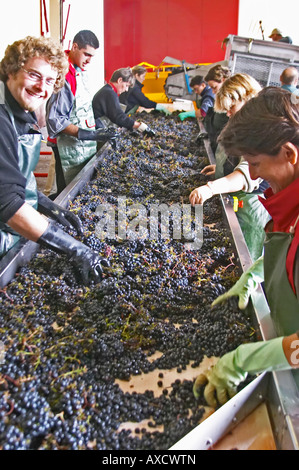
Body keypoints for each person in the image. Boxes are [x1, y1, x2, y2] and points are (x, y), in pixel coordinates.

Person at [193, 87, 299, 408]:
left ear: (289, 154)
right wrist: (253, 276)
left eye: (254, 163)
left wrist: (243, 361)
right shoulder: (288, 203)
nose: (252, 175)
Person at [0, 35, 108, 284]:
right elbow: (7, 202)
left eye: (49, 81)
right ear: (12, 70)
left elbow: (12, 180)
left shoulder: (18, 112)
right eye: (34, 75)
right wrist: (76, 249)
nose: (42, 87)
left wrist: (49, 206)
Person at [189, 73, 270, 261]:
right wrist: (220, 166)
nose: (228, 113)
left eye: (231, 107)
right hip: (236, 202)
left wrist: (211, 188)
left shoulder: (259, 130)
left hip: (250, 207)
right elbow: (237, 157)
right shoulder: (244, 123)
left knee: (246, 260)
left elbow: (246, 175)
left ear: (246, 98)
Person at [46, 30, 117, 195]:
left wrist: (97, 127)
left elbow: (81, 108)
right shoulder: (65, 76)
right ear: (74, 47)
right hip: (66, 147)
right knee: (67, 192)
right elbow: (56, 120)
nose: (89, 60)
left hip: (79, 145)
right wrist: (90, 134)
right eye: (86, 54)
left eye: (92, 56)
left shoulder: (78, 71)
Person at [92, 67, 155, 136]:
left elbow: (113, 115)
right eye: (126, 85)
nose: (126, 89)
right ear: (119, 80)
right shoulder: (109, 93)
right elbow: (118, 116)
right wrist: (139, 126)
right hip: (97, 129)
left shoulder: (108, 90)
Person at [198, 64, 231, 153]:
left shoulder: (232, 103)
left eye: (214, 87)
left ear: (223, 80)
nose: (213, 91)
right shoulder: (219, 100)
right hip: (216, 145)